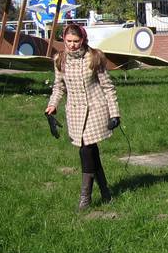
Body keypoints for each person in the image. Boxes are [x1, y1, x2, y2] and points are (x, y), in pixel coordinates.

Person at [44, 23, 121, 211]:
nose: (71, 45)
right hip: (75, 112)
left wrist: (115, 113)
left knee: (86, 150)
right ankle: (105, 191)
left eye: (76, 41)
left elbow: (108, 87)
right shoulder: (59, 60)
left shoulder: (94, 57)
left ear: (83, 40)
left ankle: (85, 198)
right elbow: (59, 87)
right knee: (90, 151)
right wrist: (53, 104)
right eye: (68, 41)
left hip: (96, 109)